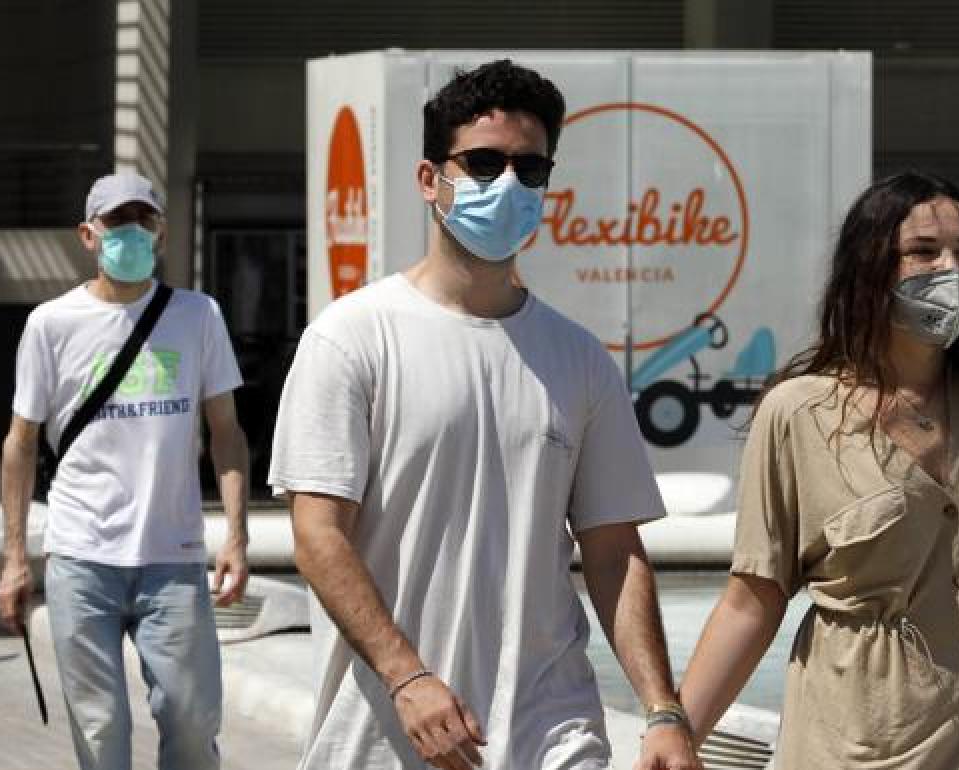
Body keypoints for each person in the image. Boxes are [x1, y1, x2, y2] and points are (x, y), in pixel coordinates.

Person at [268, 60, 701, 770]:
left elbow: (614, 550)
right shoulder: (351, 337)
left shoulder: (580, 359)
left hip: (554, 731)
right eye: (482, 162)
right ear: (427, 179)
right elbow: (318, 537)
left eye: (530, 169)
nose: (507, 184)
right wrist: (406, 675)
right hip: (387, 735)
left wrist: (662, 711)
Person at [677, 171, 959, 769]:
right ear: (869, 266)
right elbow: (753, 599)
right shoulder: (798, 411)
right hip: (854, 747)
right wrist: (677, 731)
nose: (952, 269)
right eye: (923, 251)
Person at [0, 172, 251, 770]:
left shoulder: (198, 316)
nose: (131, 233)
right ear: (89, 234)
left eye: (144, 220)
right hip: (82, 558)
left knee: (192, 723)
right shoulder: (51, 324)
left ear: (161, 233)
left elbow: (227, 433)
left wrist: (236, 536)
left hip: (174, 556)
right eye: (117, 222)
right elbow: (20, 442)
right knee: (101, 727)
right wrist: (13, 558)